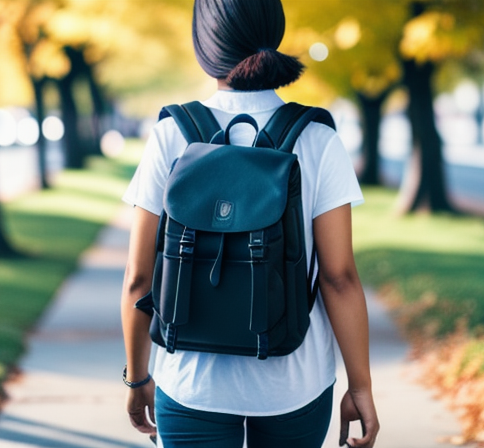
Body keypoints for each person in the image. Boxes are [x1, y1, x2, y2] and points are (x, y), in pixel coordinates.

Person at [120, 0, 380, 446]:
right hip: (295, 385)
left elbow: (139, 279)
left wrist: (137, 376)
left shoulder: (171, 135)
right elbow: (339, 279)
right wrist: (360, 387)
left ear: (204, 46)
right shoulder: (317, 138)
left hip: (190, 384)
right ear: (272, 34)